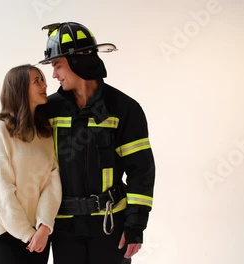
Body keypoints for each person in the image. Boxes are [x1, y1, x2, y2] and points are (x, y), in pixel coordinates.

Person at [37, 22, 156, 264]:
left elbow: (141, 171)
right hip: (64, 229)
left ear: (77, 61)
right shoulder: (48, 109)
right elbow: (15, 138)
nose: (54, 75)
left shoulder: (124, 108)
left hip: (109, 226)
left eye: (57, 65)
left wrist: (135, 225)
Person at [0, 64, 62, 264]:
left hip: (39, 235)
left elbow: (52, 183)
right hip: (6, 234)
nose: (45, 85)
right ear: (19, 89)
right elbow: (1, 191)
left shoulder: (45, 133)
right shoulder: (0, 130)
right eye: (37, 81)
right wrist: (26, 233)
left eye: (42, 79)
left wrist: (44, 226)